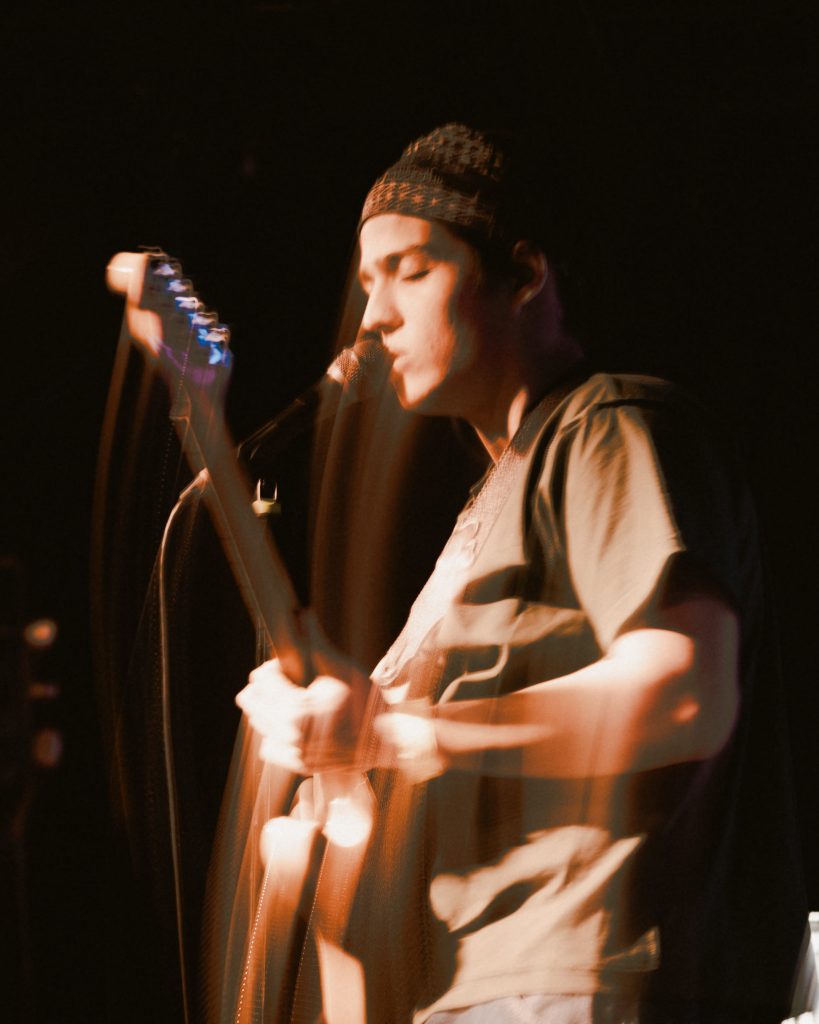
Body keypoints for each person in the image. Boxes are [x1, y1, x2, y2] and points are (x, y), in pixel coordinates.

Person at [236, 124, 807, 1023]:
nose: (374, 315)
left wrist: (397, 730)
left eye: (410, 271)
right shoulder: (488, 507)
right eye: (368, 282)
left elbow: (683, 695)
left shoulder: (608, 425)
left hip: (583, 974)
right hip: (477, 988)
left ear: (525, 275)